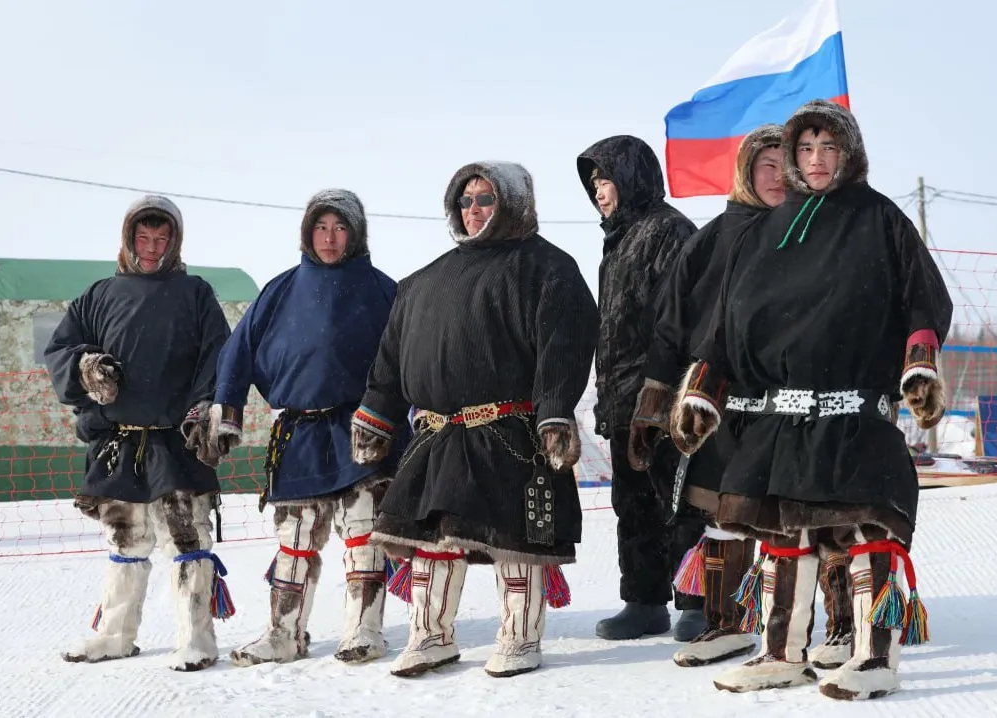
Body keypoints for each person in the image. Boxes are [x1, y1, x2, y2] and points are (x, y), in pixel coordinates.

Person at [670, 99, 953, 700]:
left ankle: (875, 657)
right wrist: (703, 389)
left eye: (829, 147)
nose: (816, 159)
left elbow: (924, 300)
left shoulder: (880, 218)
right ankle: (781, 654)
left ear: (849, 153)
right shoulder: (764, 231)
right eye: (805, 148)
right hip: (780, 415)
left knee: (864, 532)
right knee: (781, 536)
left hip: (854, 411)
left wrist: (920, 364)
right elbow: (725, 323)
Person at [351, 161, 599, 679]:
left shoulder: (548, 269)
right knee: (434, 540)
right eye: (464, 201)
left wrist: (554, 412)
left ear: (513, 203)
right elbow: (391, 359)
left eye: (485, 198)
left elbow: (565, 347)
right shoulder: (424, 281)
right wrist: (376, 414)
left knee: (516, 541)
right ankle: (431, 634)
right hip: (436, 433)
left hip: (511, 431)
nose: (473, 210)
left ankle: (520, 636)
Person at [637, 123, 852, 669]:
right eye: (766, 166)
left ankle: (844, 626)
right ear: (745, 172)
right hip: (719, 406)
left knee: (814, 511)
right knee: (723, 514)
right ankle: (727, 623)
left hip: (799, 403)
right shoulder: (710, 239)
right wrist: (656, 403)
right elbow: (670, 326)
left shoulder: (820, 231)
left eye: (789, 164)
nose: (779, 176)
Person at [209, 189, 407, 667]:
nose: (330, 238)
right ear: (307, 231)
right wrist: (226, 411)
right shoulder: (279, 290)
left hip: (364, 428)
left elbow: (414, 355)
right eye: (321, 227)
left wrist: (419, 414)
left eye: (340, 228)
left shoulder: (384, 290)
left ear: (355, 233)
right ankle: (283, 633)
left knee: (363, 531)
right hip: (297, 433)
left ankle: (363, 630)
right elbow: (237, 350)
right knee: (294, 538)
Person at [44, 195, 233, 672]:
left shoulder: (194, 293)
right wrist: (85, 365)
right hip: (120, 442)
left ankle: (197, 638)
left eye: (161, 238)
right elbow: (61, 350)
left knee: (187, 540)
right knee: (124, 541)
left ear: (175, 241)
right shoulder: (99, 294)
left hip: (176, 441)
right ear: (129, 239)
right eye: (143, 238)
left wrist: (203, 409)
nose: (152, 248)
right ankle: (115, 634)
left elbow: (218, 353)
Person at [576, 134, 706, 641]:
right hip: (623, 399)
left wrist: (667, 390)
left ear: (631, 178)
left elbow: (681, 322)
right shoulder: (618, 239)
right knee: (633, 504)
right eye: (593, 183)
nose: (598, 191)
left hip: (664, 397)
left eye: (605, 179)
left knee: (681, 500)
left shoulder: (669, 230)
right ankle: (645, 601)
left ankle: (697, 602)